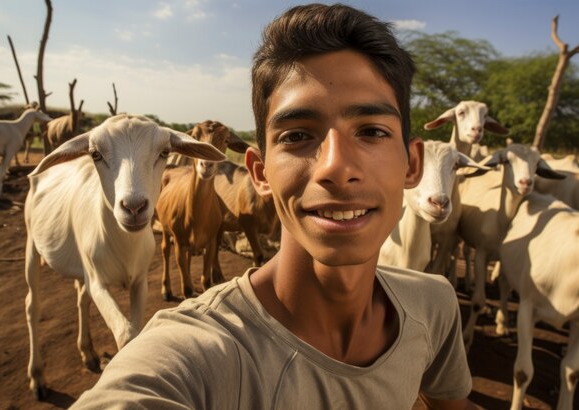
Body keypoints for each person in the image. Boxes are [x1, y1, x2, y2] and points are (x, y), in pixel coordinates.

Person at [73, 3, 475, 409]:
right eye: (298, 135)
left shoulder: (434, 304)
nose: (336, 168)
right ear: (260, 173)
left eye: (371, 131)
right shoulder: (199, 355)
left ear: (414, 166)